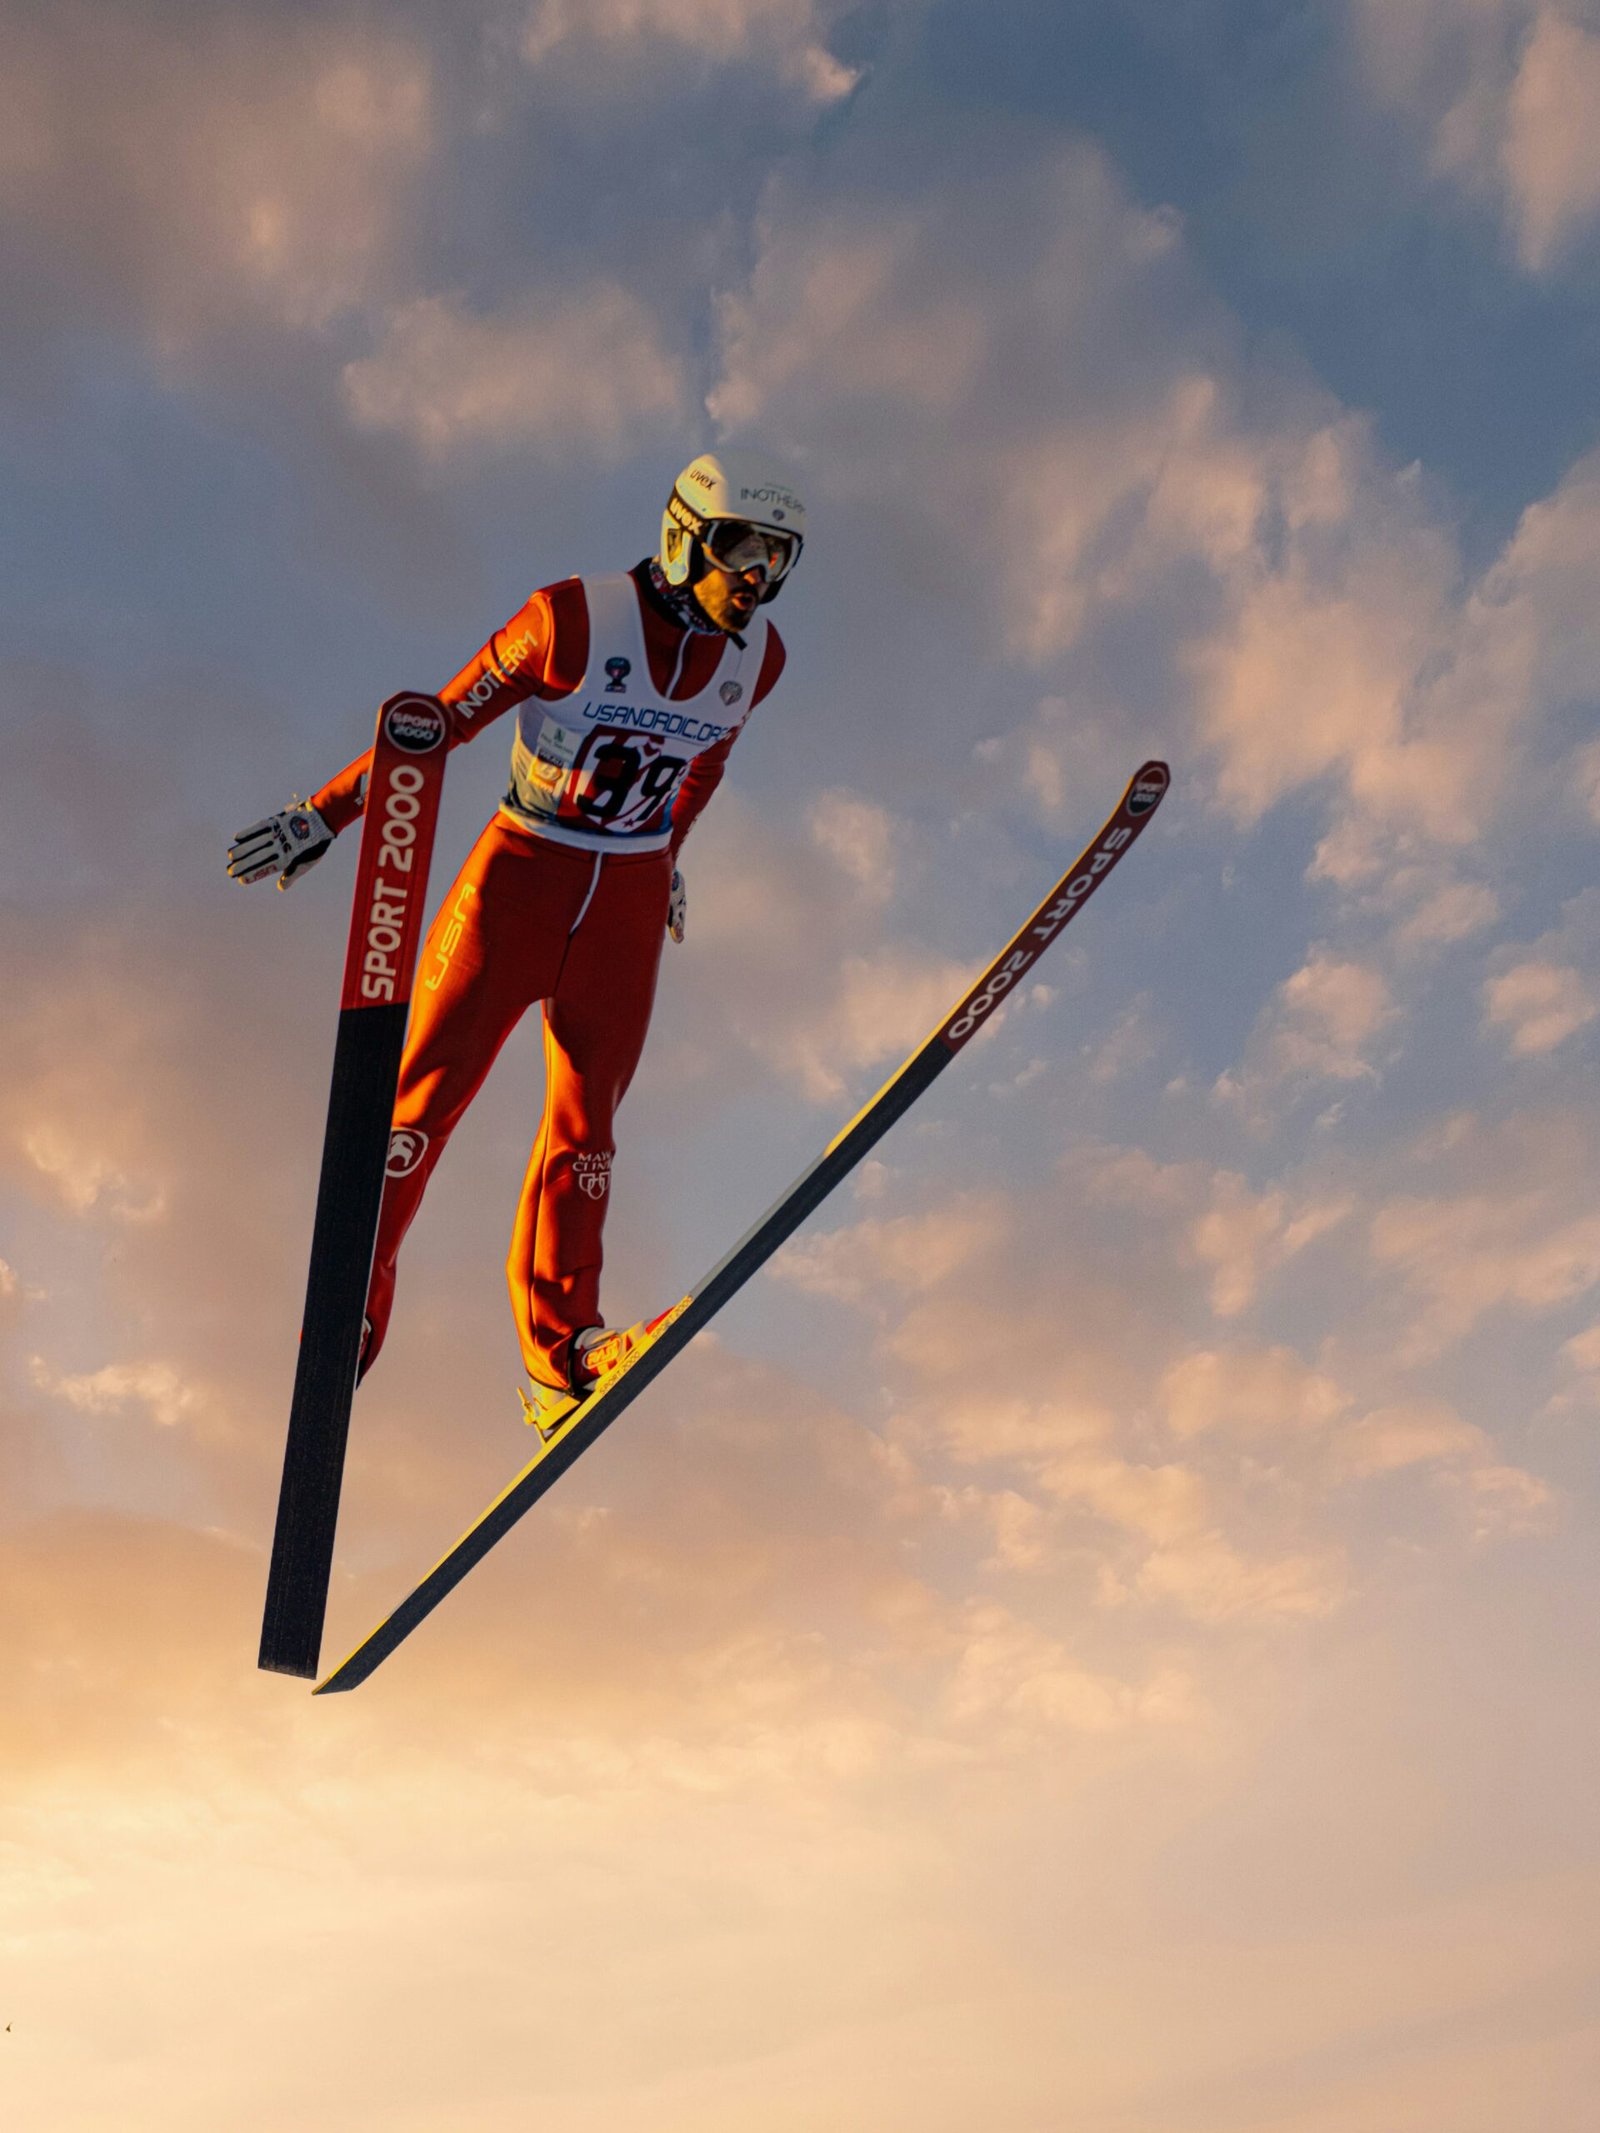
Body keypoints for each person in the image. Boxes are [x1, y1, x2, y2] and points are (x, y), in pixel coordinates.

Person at [228, 449, 804, 1426]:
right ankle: (345, 1330)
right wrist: (325, 816)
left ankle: (562, 1360)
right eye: (739, 546)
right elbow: (439, 725)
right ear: (682, 535)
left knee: (588, 1131)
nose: (757, 575)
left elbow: (702, 767)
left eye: (779, 558)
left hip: (622, 895)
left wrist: (667, 861)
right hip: (520, 877)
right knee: (418, 1107)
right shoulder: (571, 617)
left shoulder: (762, 659)